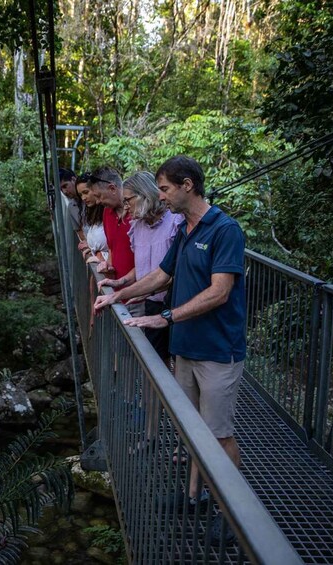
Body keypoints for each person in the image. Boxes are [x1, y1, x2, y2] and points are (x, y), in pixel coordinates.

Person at [93, 156, 246, 546]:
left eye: (164, 188)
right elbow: (162, 274)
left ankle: (232, 513)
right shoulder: (186, 230)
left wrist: (167, 316)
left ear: (187, 185)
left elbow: (220, 290)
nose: (160, 196)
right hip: (187, 345)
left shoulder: (225, 229)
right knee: (192, 428)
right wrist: (119, 296)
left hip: (216, 350)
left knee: (218, 434)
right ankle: (194, 496)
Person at [97, 171, 183, 363]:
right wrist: (123, 281)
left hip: (177, 302)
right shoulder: (137, 227)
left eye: (128, 200)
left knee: (178, 361)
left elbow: (170, 271)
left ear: (144, 195)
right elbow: (143, 267)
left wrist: (122, 293)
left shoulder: (176, 223)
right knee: (155, 360)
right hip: (151, 301)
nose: (126, 206)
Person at [87, 167, 133, 285]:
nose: (97, 202)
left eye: (99, 196)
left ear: (112, 188)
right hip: (117, 291)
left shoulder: (137, 213)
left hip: (139, 293)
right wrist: (108, 264)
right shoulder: (107, 213)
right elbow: (111, 247)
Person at [76, 173, 108, 264]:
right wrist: (92, 248)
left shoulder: (109, 210)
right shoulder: (94, 213)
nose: (83, 198)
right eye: (80, 195)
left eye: (86, 192)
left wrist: (102, 256)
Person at [59, 167, 83, 234]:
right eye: (61, 189)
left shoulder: (91, 196)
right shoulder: (71, 206)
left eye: (65, 186)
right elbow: (79, 231)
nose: (64, 191)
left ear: (73, 179)